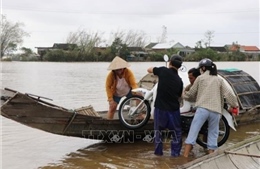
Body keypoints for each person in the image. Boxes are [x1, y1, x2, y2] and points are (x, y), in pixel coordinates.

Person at [183, 58, 239, 157]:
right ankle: (211, 158)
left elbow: (191, 94)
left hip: (202, 109)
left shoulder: (200, 78)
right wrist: (235, 105)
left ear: (203, 68)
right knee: (213, 136)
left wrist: (183, 94)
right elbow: (229, 94)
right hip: (216, 111)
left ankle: (185, 157)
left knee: (193, 133)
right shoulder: (219, 79)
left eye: (200, 68)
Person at [147, 54, 183, 157]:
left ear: (170, 62)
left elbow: (149, 69)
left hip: (161, 109)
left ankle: (158, 155)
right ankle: (175, 155)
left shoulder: (163, 71)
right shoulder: (179, 80)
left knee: (158, 133)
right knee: (176, 134)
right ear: (179, 66)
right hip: (174, 110)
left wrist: (157, 71)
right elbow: (180, 96)